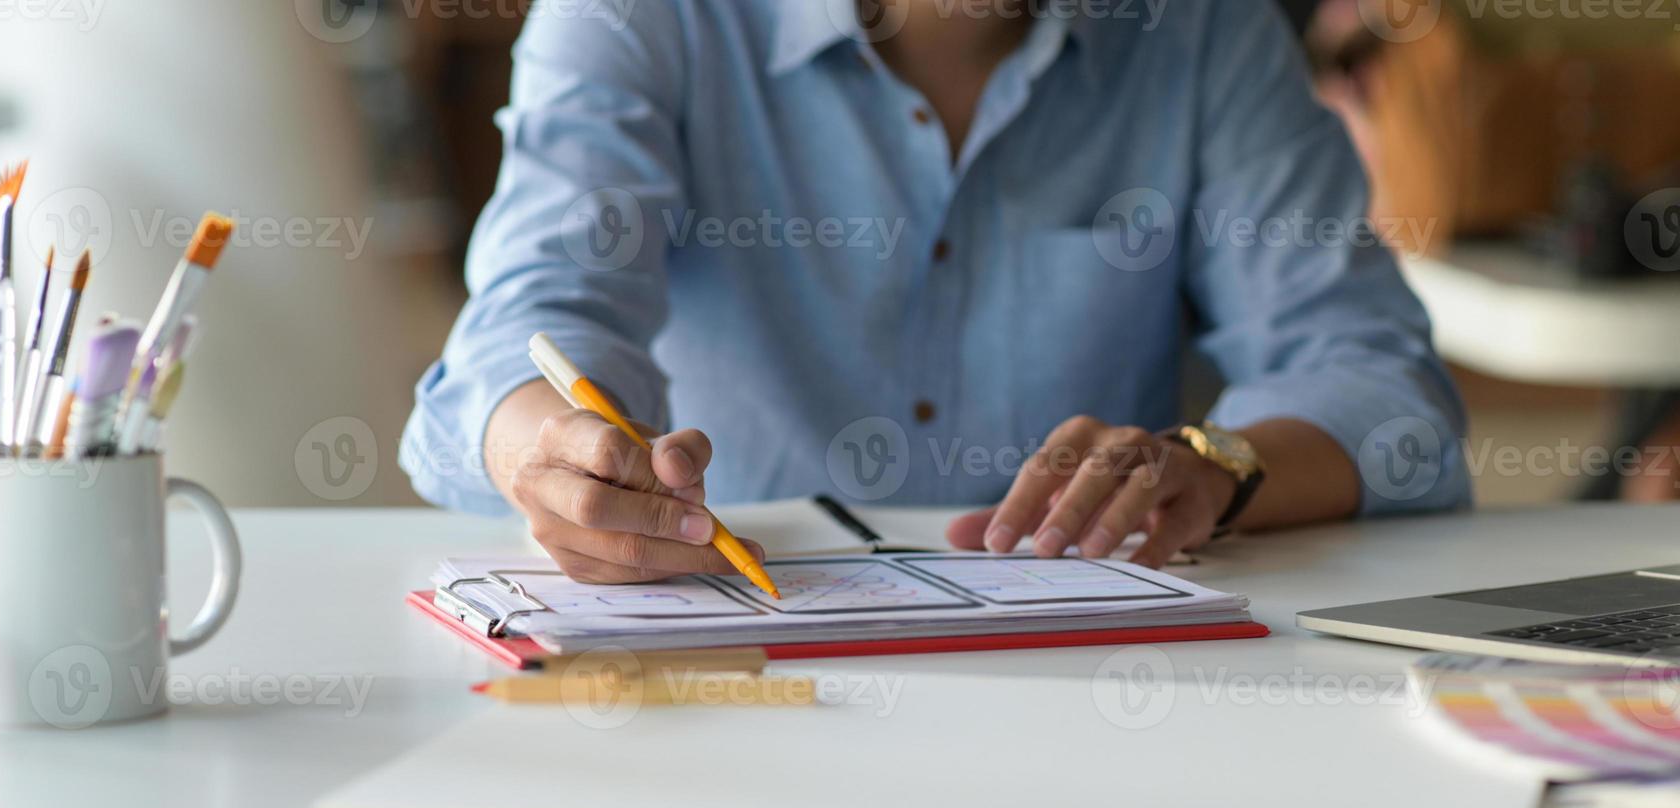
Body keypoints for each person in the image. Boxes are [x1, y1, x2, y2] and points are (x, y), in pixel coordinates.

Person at [401, 0, 1471, 583]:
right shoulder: (642, 19)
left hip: (1095, 675)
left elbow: (1379, 387)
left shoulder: (1203, 32)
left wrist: (1213, 470)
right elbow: (526, 326)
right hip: (742, 644)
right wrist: (551, 457)